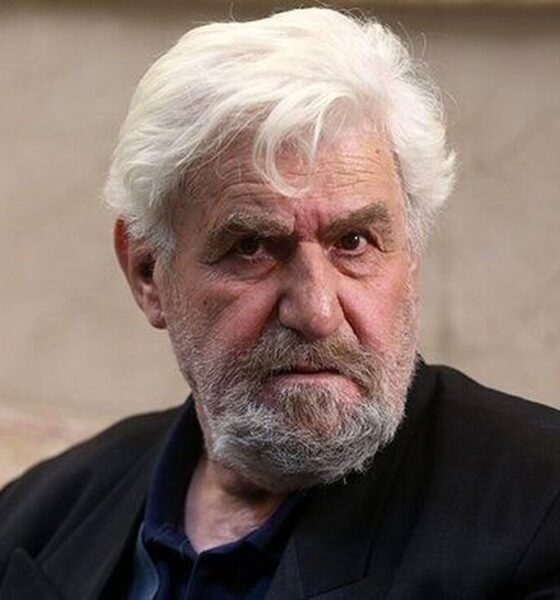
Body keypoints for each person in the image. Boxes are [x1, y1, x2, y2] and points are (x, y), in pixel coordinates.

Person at [0, 7, 559, 599]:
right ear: (147, 273)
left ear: (412, 257)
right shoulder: (36, 518)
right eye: (252, 247)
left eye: (354, 242)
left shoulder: (541, 515)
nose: (316, 311)